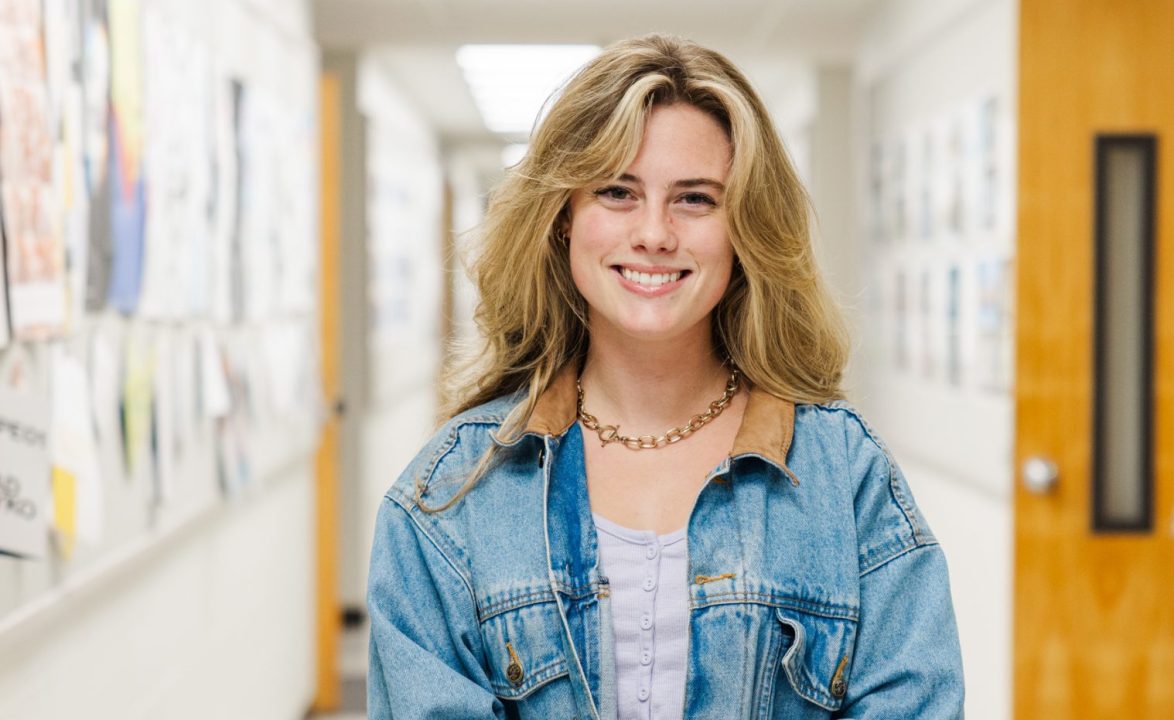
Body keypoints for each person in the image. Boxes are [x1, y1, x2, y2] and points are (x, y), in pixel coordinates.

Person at [366, 33, 964, 719]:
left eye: (696, 199)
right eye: (617, 191)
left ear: (745, 229)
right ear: (564, 218)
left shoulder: (846, 476)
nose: (654, 232)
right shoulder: (447, 500)